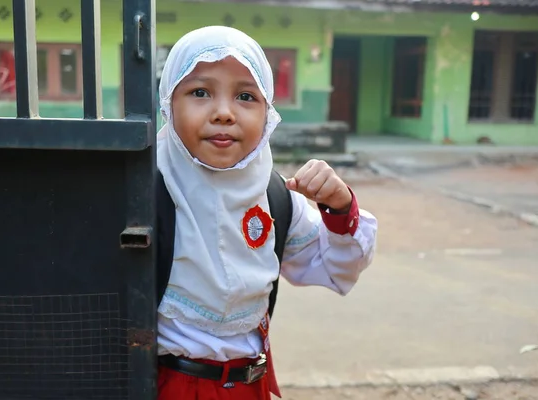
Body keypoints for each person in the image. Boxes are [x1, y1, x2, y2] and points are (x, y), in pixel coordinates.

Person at [155, 25, 378, 400]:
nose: (224, 112)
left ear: (268, 113)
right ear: (168, 104)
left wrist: (338, 207)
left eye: (245, 95)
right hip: (163, 386)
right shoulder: (145, 190)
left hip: (248, 386)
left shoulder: (275, 196)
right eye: (199, 92)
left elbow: (336, 268)